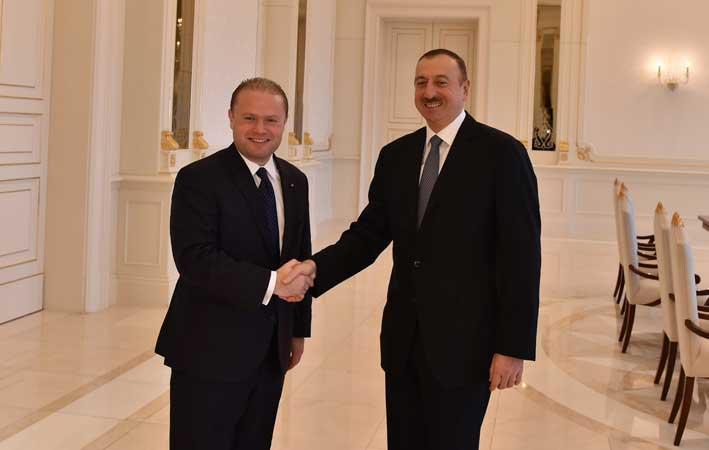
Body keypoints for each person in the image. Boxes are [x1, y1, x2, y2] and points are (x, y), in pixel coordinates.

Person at [285, 49, 541, 450]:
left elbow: (522, 258)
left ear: (464, 89)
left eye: (441, 81)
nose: (429, 91)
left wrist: (512, 347)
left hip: (466, 346)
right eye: (421, 82)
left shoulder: (502, 155)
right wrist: (314, 270)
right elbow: (367, 235)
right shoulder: (396, 156)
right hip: (404, 341)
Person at [155, 77, 314, 450]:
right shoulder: (198, 179)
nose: (260, 130)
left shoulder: (295, 181)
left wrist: (297, 330)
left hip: (270, 351)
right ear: (230, 118)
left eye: (271, 120)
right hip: (207, 349)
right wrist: (273, 284)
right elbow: (195, 259)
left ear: (284, 122)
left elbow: (300, 259)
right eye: (249, 118)